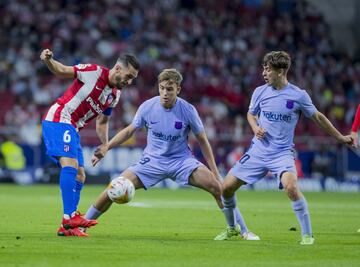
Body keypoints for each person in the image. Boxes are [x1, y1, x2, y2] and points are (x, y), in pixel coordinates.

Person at [84, 69, 259, 240]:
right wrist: (107, 147)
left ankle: (239, 231)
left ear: (178, 89)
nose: (165, 93)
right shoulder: (147, 106)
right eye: (162, 88)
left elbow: (203, 141)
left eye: (169, 89)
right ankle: (82, 224)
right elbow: (130, 131)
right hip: (152, 162)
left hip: (181, 162)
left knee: (219, 188)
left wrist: (214, 171)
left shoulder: (188, 110)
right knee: (113, 188)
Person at [214, 51, 353, 245]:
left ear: (281, 72)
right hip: (258, 151)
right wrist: (255, 128)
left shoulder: (298, 95)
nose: (264, 73)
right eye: (263, 68)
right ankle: (233, 228)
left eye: (268, 69)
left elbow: (318, 117)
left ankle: (307, 235)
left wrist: (339, 136)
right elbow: (251, 114)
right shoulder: (259, 92)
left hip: (281, 153)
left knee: (291, 188)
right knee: (226, 188)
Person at [40, 49, 140, 237]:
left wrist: (105, 145)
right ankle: (69, 218)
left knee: (80, 175)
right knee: (70, 165)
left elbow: (102, 122)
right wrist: (49, 60)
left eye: (133, 79)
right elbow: (62, 70)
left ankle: (67, 227)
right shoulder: (94, 71)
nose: (129, 82)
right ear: (117, 68)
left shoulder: (114, 95)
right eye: (128, 76)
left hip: (72, 128)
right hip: (60, 118)